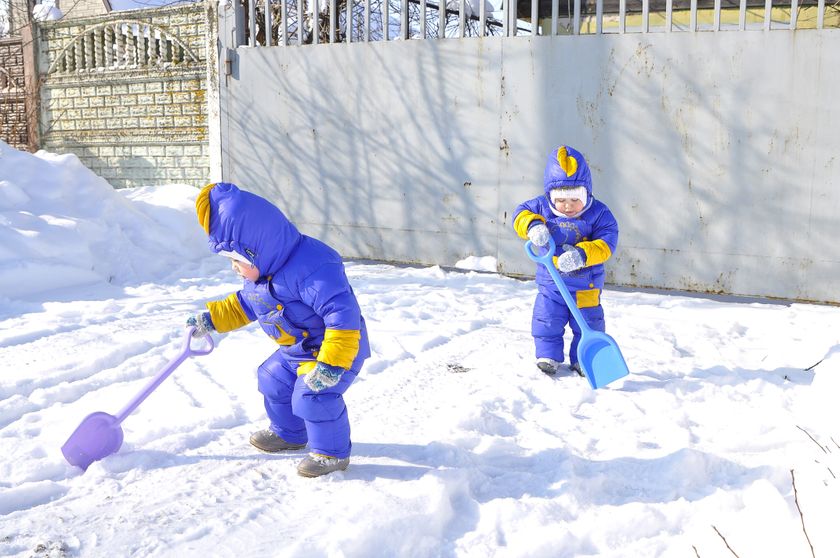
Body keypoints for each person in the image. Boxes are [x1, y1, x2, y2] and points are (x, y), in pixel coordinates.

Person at [186, 182, 370, 477]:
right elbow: (245, 305)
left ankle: (331, 454)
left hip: (336, 349)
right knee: (272, 379)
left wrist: (331, 364)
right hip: (298, 350)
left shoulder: (313, 267)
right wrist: (211, 320)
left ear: (257, 251)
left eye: (238, 260)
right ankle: (290, 433)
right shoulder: (263, 276)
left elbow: (342, 316)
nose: (235, 268)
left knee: (312, 394)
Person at [512, 145, 619, 376]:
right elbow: (519, 214)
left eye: (575, 199)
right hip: (552, 285)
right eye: (561, 200)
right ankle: (548, 355)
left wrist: (582, 255)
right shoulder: (541, 207)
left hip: (586, 286)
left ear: (587, 193)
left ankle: (583, 359)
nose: (568, 206)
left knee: (589, 324)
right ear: (550, 195)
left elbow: (607, 243)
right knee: (547, 319)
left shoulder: (599, 214)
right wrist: (533, 225)